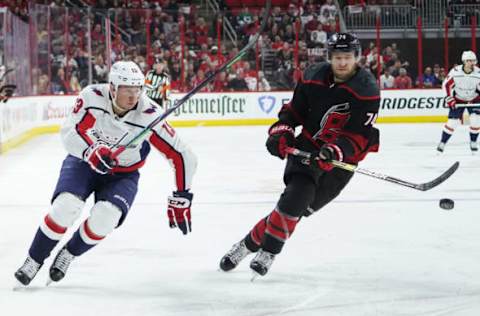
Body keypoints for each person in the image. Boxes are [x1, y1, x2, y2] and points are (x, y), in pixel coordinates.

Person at [14, 61, 197, 286]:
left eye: (137, 89)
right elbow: (70, 131)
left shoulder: (149, 115)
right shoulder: (92, 97)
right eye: (127, 89)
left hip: (123, 175)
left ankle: (69, 253)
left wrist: (182, 194)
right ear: (112, 88)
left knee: (105, 218)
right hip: (84, 163)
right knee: (65, 207)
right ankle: (34, 259)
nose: (133, 96)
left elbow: (183, 155)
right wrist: (91, 151)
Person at [219, 33, 380, 277]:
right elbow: (293, 113)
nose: (343, 63)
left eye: (347, 57)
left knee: (296, 211)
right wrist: (281, 133)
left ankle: (245, 245)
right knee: (296, 197)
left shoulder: (367, 89)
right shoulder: (313, 76)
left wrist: (335, 151)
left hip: (342, 161)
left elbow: (359, 136)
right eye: (338, 57)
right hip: (307, 148)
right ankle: (269, 252)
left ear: (357, 58)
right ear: (330, 57)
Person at [437, 50, 480, 153]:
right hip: (458, 99)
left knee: (476, 120)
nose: (473, 63)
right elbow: (446, 85)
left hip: (473, 99)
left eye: (474, 61)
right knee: (452, 123)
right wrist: (449, 98)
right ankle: (443, 142)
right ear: (465, 61)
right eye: (470, 61)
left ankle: (473, 142)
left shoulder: (478, 72)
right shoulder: (455, 72)